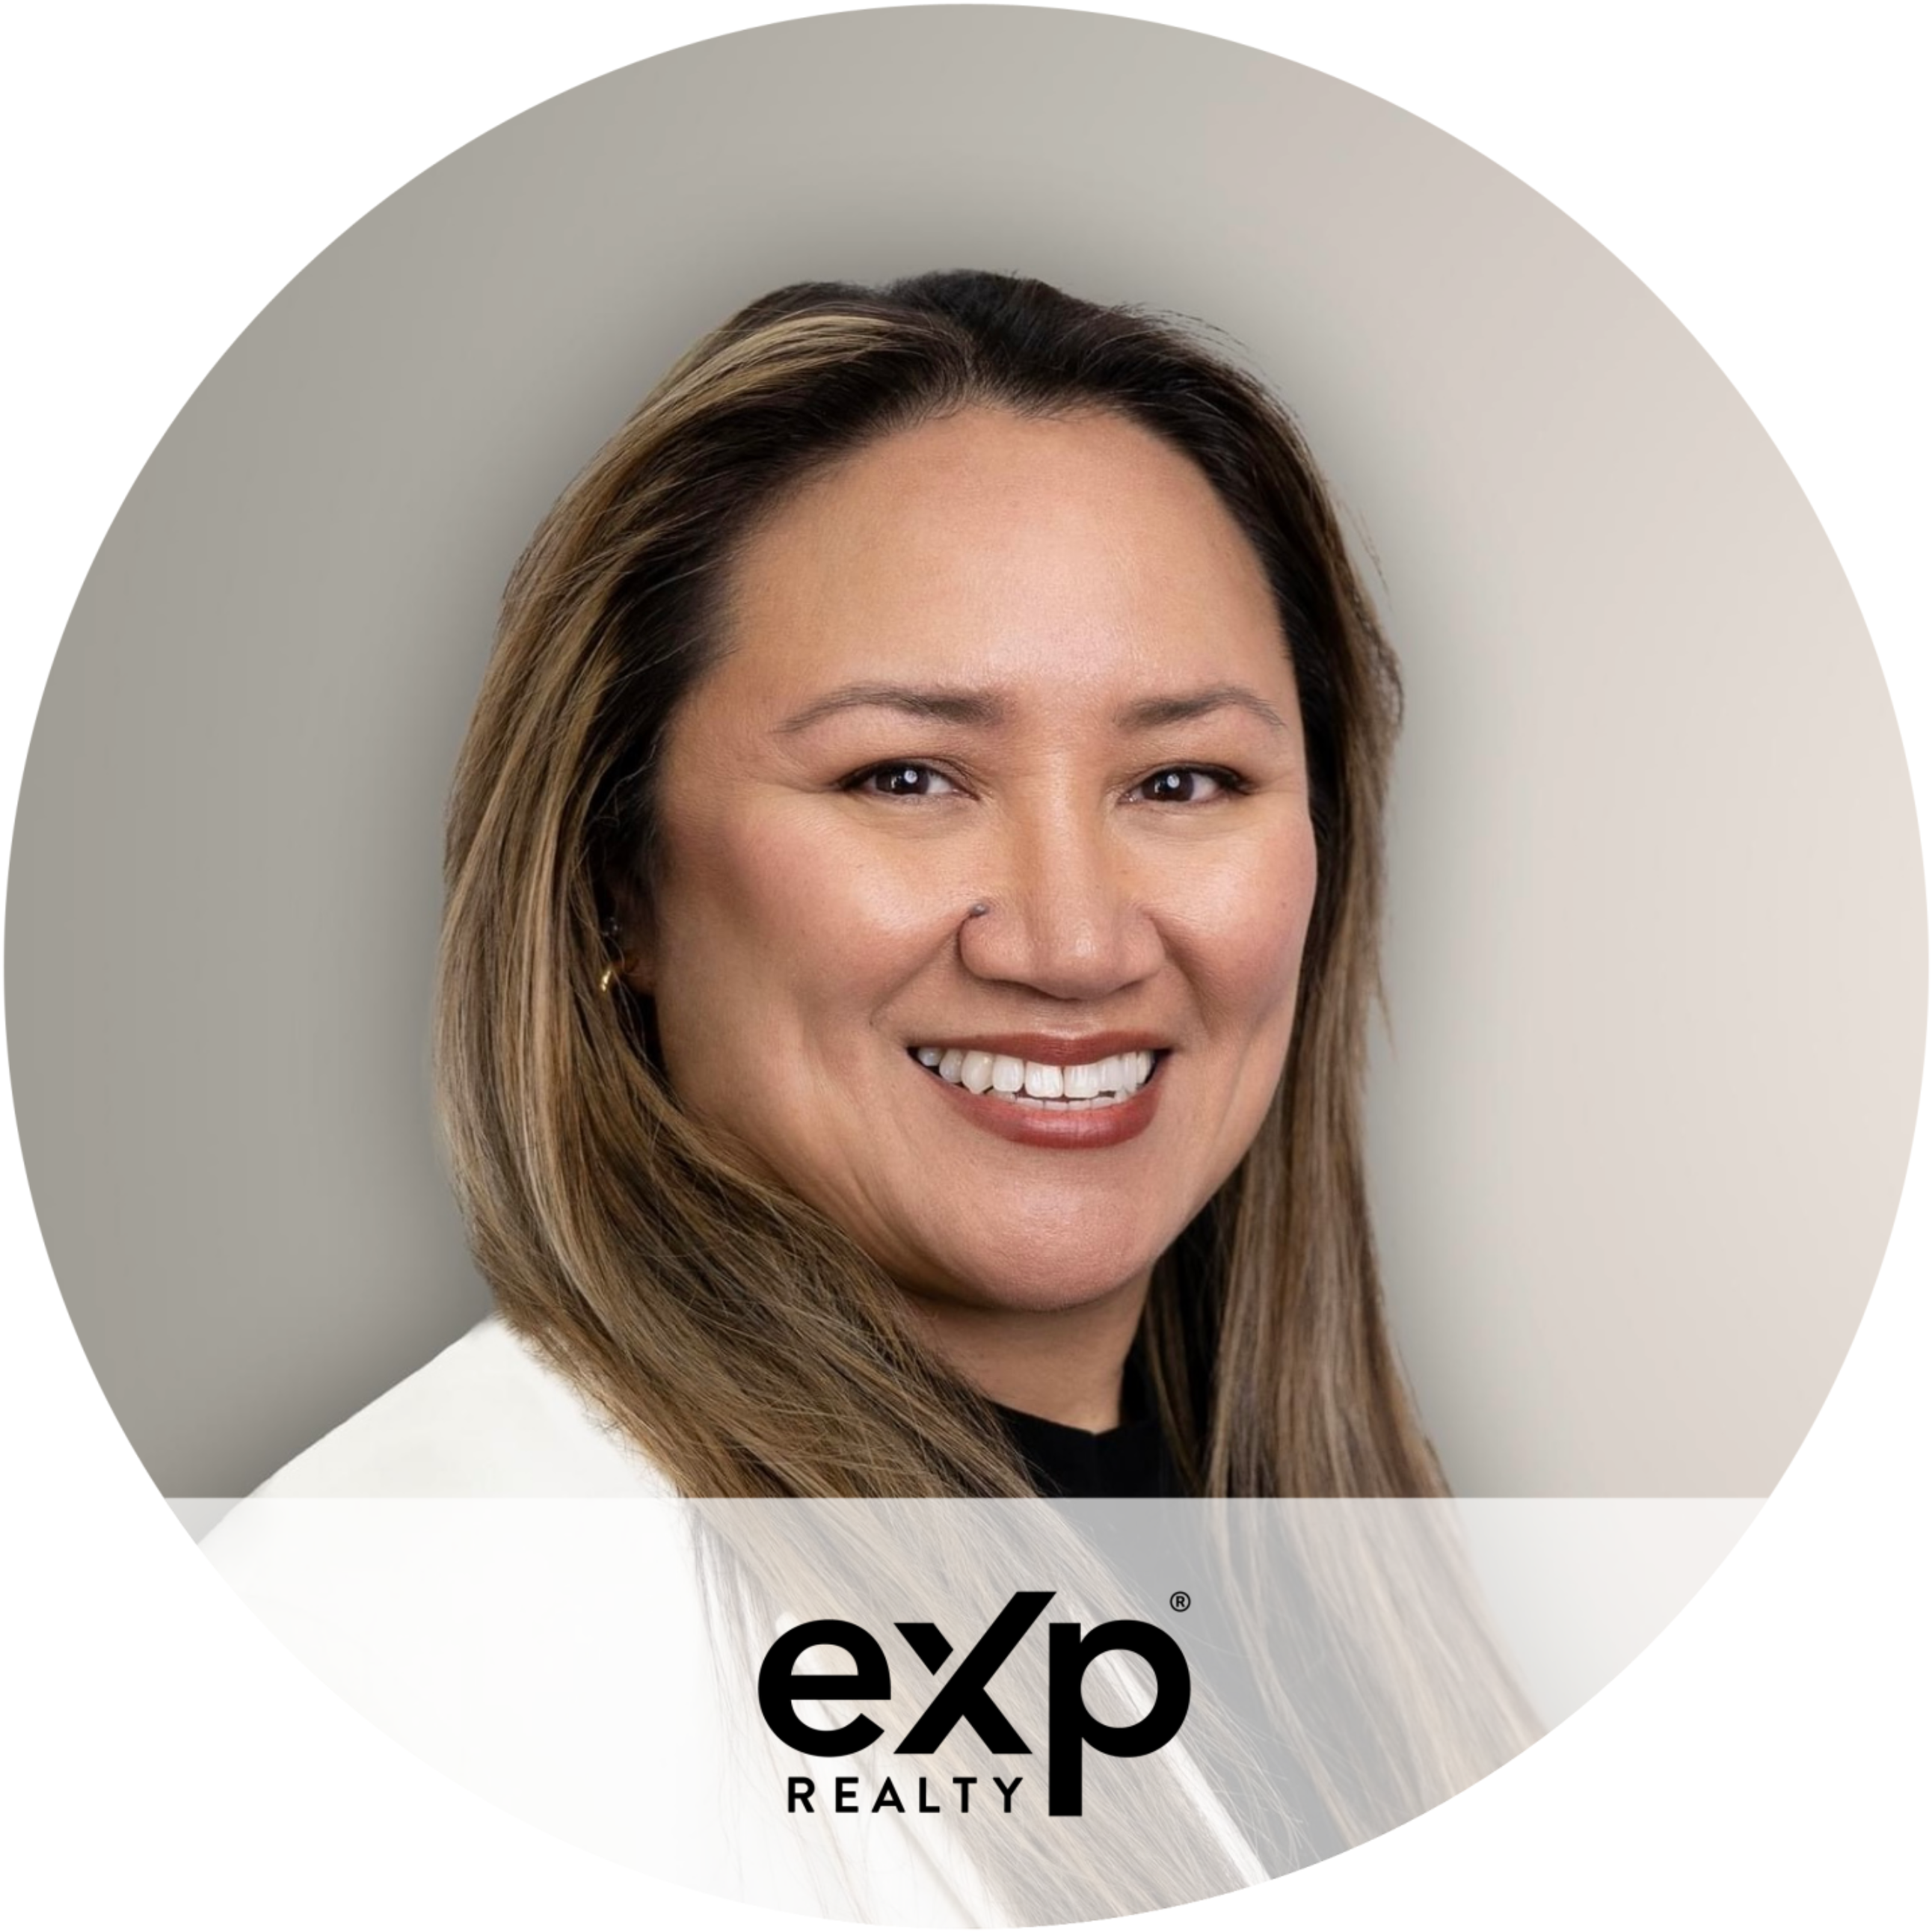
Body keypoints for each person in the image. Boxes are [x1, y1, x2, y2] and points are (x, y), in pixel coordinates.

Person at [203, 271, 1536, 1922]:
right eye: (905, 777)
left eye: (1183, 779)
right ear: (618, 882)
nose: (1073, 940)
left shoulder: (1332, 1602)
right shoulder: (395, 1637)